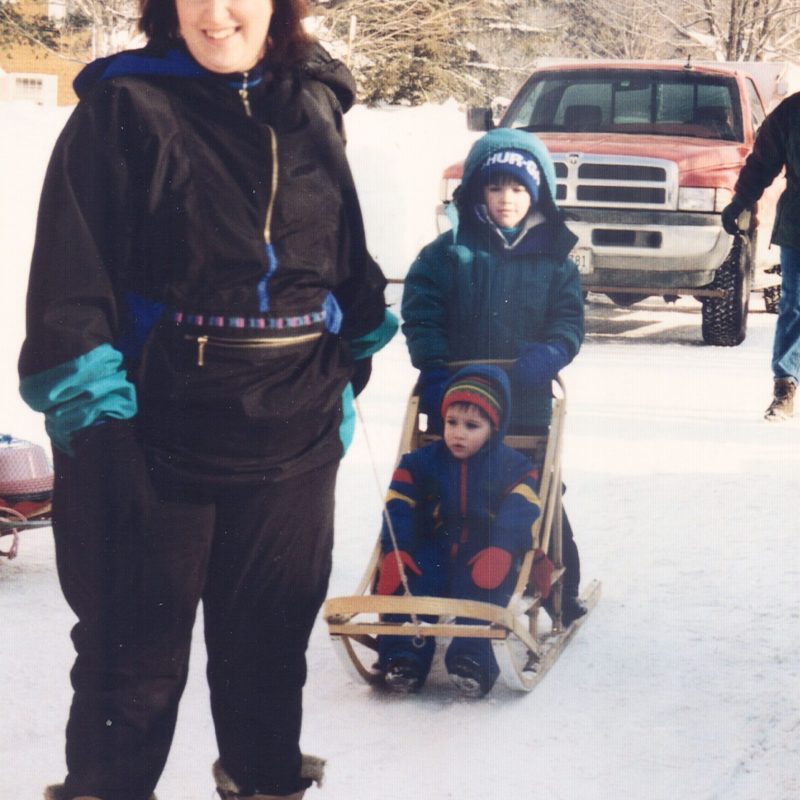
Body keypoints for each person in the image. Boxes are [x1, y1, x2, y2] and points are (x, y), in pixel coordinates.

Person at [17, 1, 397, 798]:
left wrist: (343, 366)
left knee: (268, 664)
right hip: (153, 439)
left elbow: (343, 259)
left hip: (293, 438)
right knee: (132, 671)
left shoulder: (313, 103)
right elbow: (69, 288)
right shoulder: (123, 107)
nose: (216, 15)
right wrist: (100, 428)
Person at [401, 127, 586, 625]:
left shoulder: (555, 261)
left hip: (524, 403)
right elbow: (421, 313)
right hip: (459, 403)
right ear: (476, 192)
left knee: (536, 492)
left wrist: (552, 352)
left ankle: (561, 590)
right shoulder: (446, 253)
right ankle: (425, 575)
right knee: (445, 489)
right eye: (495, 186)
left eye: (519, 187)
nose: (507, 198)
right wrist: (434, 368)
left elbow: (569, 321)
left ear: (538, 194)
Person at [375, 366, 548, 697]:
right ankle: (404, 656)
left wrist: (502, 547)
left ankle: (473, 659)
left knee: (484, 588)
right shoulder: (420, 462)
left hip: (484, 550)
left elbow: (522, 508)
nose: (458, 433)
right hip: (435, 546)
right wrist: (398, 549)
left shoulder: (513, 466)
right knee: (410, 584)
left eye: (471, 426)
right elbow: (399, 505)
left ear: (493, 428)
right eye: (451, 422)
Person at [721, 91, 800, 421]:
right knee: (795, 304)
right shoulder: (792, 111)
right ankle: (785, 386)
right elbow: (764, 160)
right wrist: (741, 200)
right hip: (798, 225)